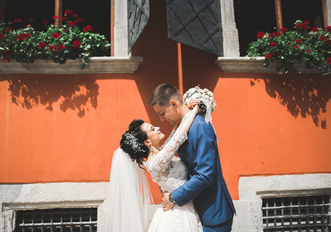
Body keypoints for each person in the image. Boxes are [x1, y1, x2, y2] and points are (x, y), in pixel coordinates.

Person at [100, 104, 202, 232]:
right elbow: (179, 135)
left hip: (183, 208)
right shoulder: (156, 162)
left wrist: (186, 107)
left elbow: (175, 131)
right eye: (153, 129)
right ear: (147, 142)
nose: (158, 128)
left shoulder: (160, 154)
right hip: (177, 215)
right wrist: (197, 108)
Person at [149, 84, 236, 232]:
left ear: (174, 104)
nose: (161, 119)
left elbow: (205, 175)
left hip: (213, 212)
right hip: (195, 209)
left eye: (162, 113)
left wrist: (173, 197)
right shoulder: (184, 126)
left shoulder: (199, 127)